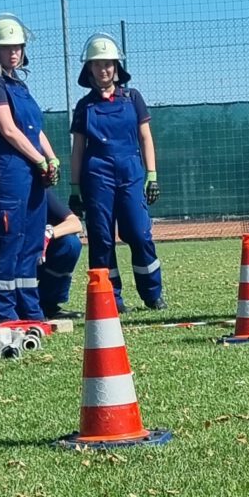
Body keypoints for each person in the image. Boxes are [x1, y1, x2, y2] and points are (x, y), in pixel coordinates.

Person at [0, 15, 59, 322]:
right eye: (6, 46)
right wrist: (38, 160)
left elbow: (34, 130)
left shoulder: (19, 85)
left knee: (31, 241)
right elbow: (9, 130)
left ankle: (30, 312)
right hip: (8, 172)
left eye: (18, 46)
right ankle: (2, 314)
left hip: (32, 173)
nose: (13, 52)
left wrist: (51, 158)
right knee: (8, 240)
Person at [69, 34, 162, 308]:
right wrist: (75, 189)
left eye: (108, 64)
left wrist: (152, 175)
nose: (103, 70)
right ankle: (110, 297)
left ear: (117, 67)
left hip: (131, 173)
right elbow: (77, 150)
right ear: (89, 70)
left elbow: (146, 137)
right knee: (101, 238)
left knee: (139, 233)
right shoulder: (84, 106)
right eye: (97, 65)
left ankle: (153, 294)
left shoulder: (133, 98)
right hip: (96, 177)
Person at [0, 181, 82, 323]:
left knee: (70, 244)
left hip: (29, 263)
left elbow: (75, 223)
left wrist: (48, 233)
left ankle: (47, 304)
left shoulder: (39, 191)